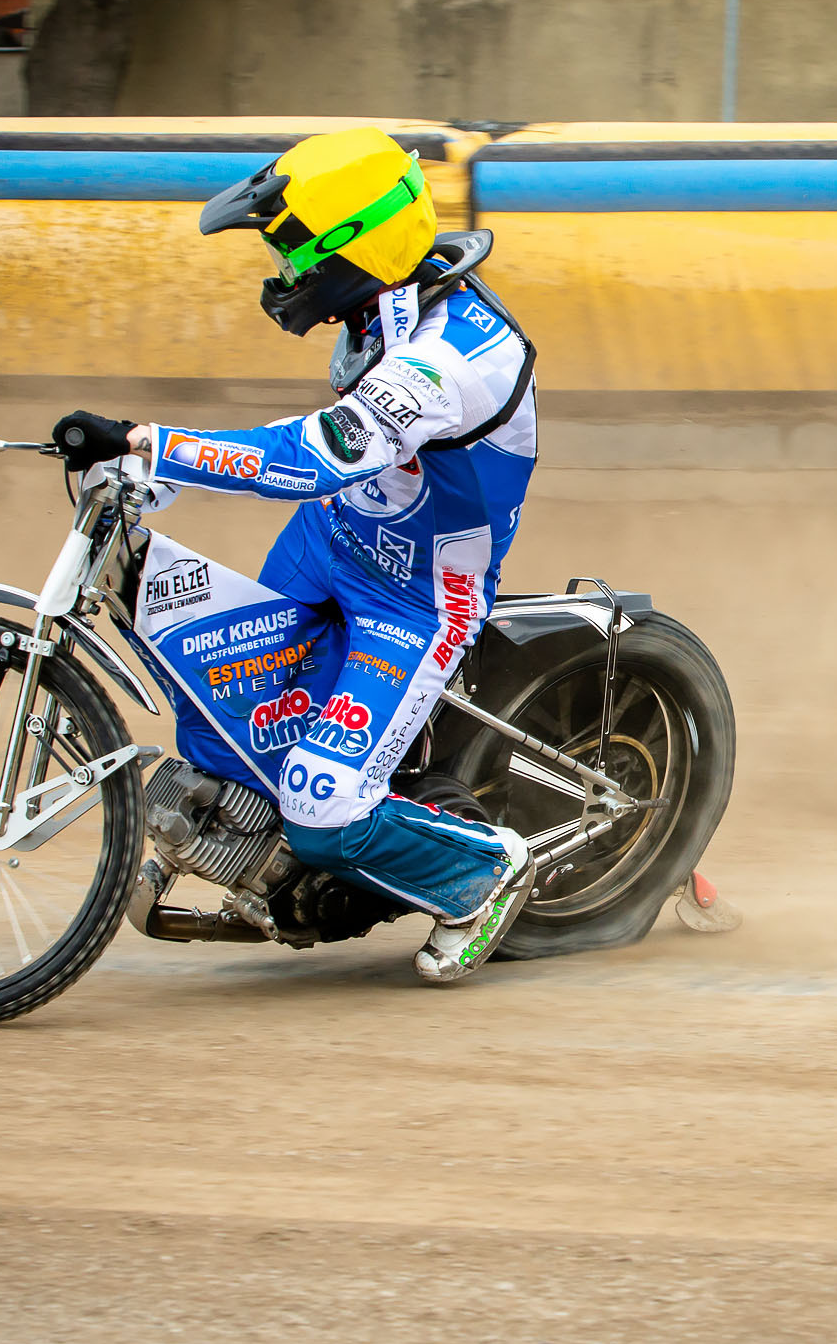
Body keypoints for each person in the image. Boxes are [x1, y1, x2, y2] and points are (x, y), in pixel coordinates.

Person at [48, 127, 536, 984]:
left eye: (290, 248)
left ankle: (484, 871)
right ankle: (246, 837)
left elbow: (312, 457)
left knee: (318, 806)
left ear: (352, 245)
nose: (277, 268)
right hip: (330, 540)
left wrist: (150, 443)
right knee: (225, 707)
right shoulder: (377, 313)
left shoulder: (455, 358)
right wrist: (148, 476)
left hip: (419, 596)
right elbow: (310, 444)